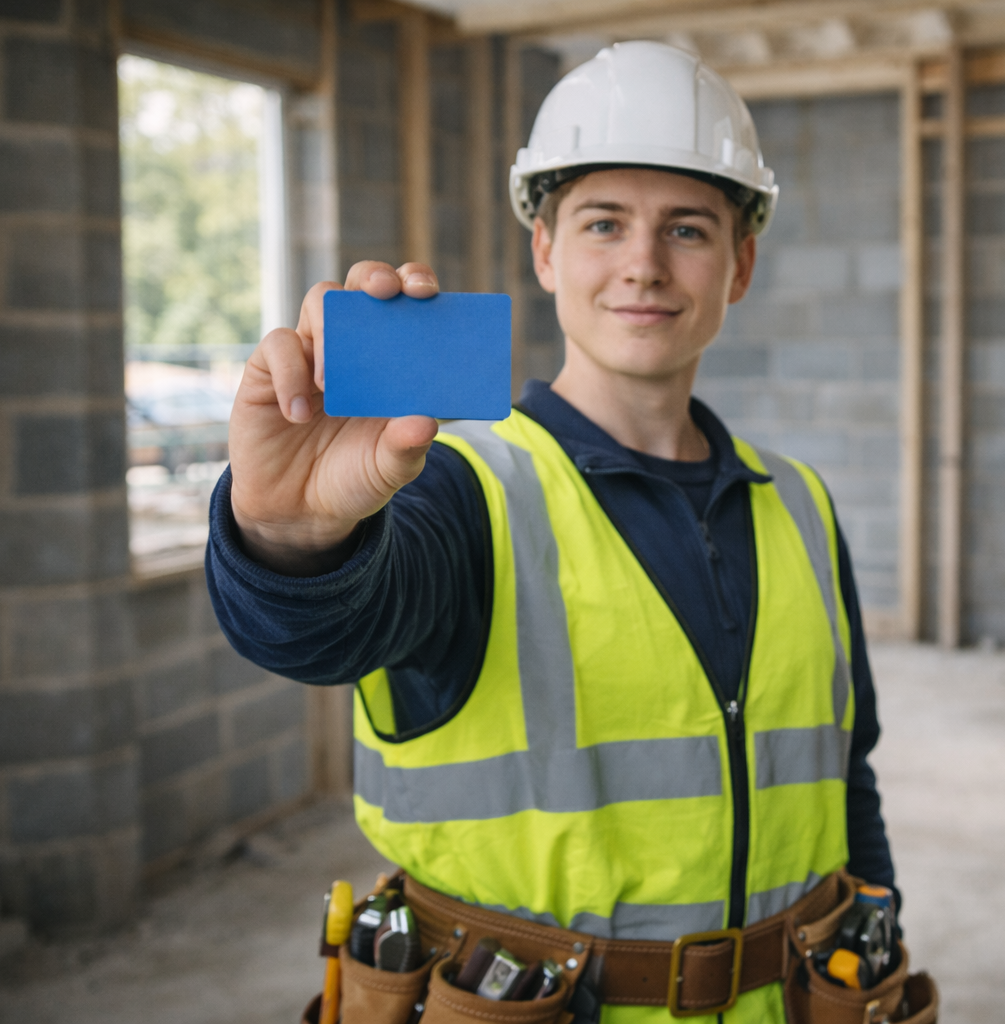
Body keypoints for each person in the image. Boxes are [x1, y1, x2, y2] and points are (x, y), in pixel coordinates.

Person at [207, 41, 899, 1022]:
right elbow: (313, 629)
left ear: (740, 262)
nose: (643, 266)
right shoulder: (457, 490)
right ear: (545, 251)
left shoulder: (801, 503)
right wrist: (287, 533)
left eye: (689, 230)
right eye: (603, 223)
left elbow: (846, 769)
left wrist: (877, 926)